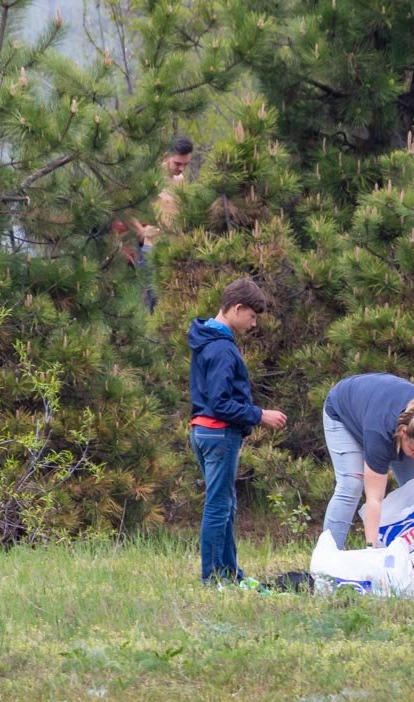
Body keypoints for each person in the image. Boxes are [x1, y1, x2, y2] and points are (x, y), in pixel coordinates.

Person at [187, 278, 287, 583]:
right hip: (219, 433)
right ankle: (213, 577)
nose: (253, 324)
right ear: (237, 308)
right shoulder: (222, 349)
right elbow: (220, 403)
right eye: (252, 316)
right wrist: (260, 414)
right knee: (218, 505)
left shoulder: (207, 339)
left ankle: (230, 573)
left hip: (204, 431)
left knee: (226, 503)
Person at [322, 373, 414, 549]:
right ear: (402, 433)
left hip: (376, 406)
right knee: (351, 484)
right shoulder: (380, 435)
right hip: (343, 411)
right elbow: (374, 499)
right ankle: (329, 554)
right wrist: (371, 549)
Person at [131, 136, 195, 310]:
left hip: (176, 249)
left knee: (176, 302)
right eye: (177, 164)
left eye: (186, 164)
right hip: (153, 249)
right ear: (167, 156)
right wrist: (140, 231)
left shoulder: (180, 180)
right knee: (156, 303)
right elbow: (125, 207)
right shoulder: (150, 178)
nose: (181, 169)